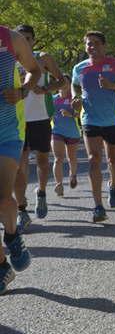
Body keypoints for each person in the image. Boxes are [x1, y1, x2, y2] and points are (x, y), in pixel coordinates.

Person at [0, 25, 40, 294]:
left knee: (2, 198)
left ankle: (12, 233)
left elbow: (35, 71)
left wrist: (23, 91)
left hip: (7, 131)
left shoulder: (10, 38)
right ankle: (3, 267)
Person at [72, 31, 115, 222]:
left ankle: (113, 185)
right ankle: (98, 206)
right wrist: (75, 98)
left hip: (113, 119)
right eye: (88, 44)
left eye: (96, 43)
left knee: (113, 159)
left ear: (104, 46)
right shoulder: (79, 68)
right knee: (93, 159)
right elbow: (75, 87)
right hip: (90, 119)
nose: (92, 47)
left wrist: (113, 86)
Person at [14, 25, 65, 231]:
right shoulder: (10, 58)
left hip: (41, 118)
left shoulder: (43, 58)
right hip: (17, 120)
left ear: (34, 41)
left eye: (28, 38)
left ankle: (41, 192)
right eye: (21, 38)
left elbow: (62, 81)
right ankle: (22, 208)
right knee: (20, 164)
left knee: (43, 161)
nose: (25, 42)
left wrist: (45, 89)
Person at [50, 75, 81, 196]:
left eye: (66, 82)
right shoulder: (53, 99)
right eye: (61, 82)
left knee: (71, 158)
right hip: (57, 132)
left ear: (70, 85)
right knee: (58, 158)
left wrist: (70, 114)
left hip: (72, 133)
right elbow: (47, 113)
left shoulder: (74, 99)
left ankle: (72, 175)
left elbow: (79, 114)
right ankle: (59, 184)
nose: (63, 84)